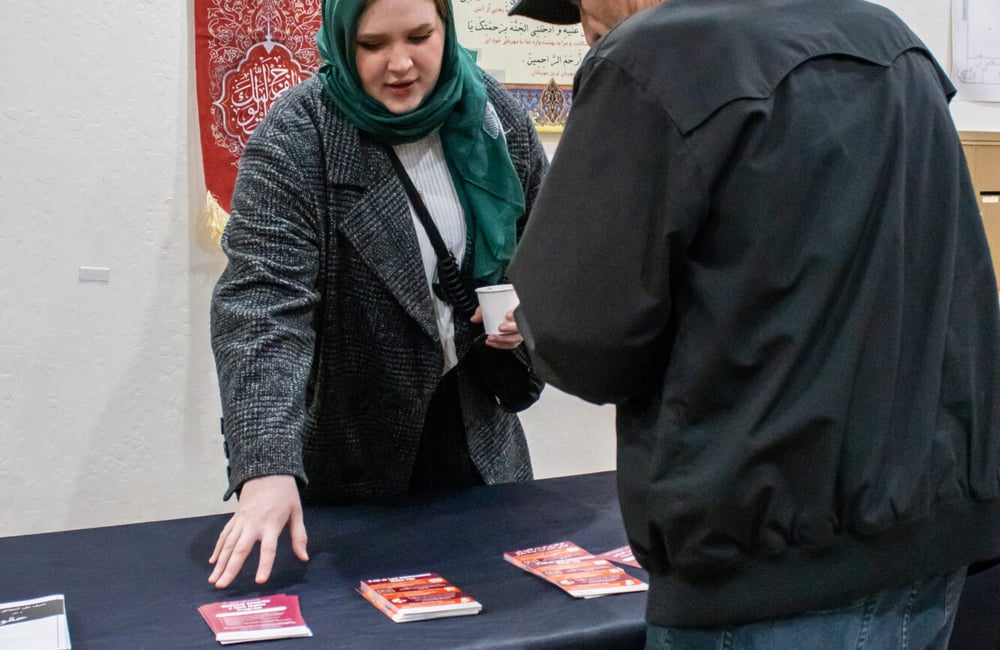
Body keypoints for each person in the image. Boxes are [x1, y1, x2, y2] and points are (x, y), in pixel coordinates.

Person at [506, 0, 1000, 648]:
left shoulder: (654, 60)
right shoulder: (891, 41)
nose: (582, 26)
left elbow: (579, 334)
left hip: (763, 561)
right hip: (925, 542)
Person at [208, 0, 548, 589]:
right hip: (352, 460)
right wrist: (265, 466)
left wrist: (534, 310)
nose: (400, 64)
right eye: (372, 45)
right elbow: (262, 306)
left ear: (447, 26)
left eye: (420, 36)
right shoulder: (300, 134)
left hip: (479, 448)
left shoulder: (492, 115)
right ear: (342, 40)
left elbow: (547, 245)